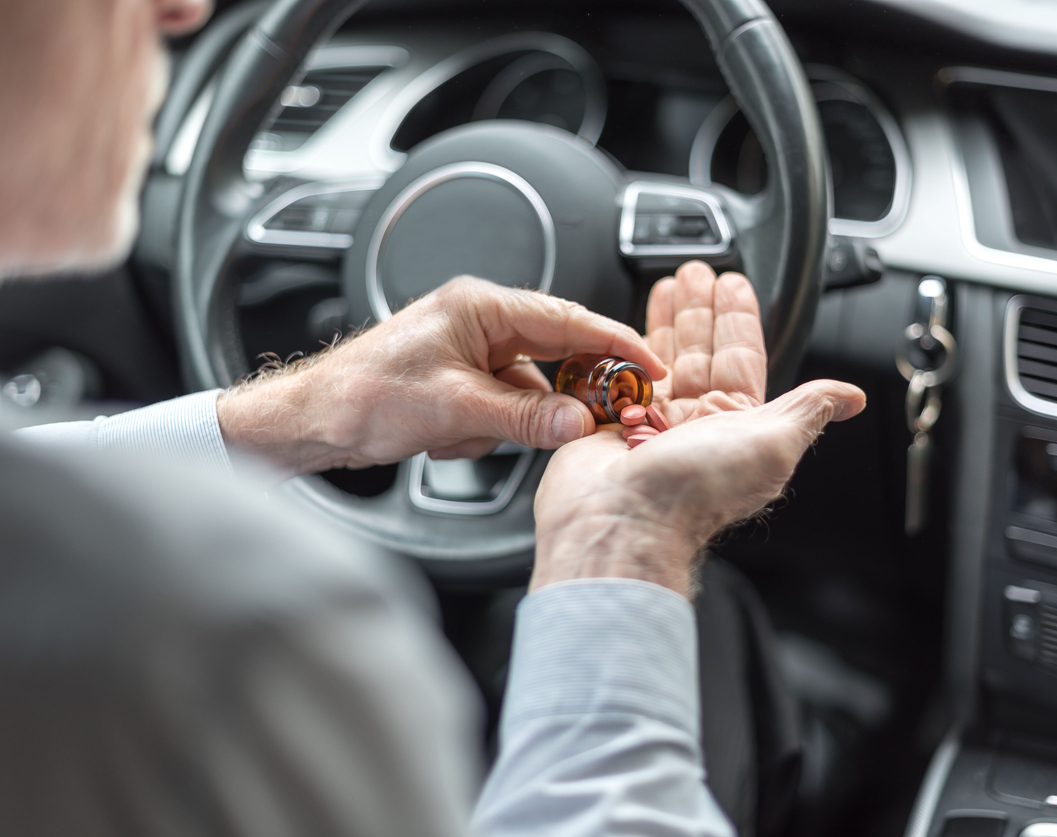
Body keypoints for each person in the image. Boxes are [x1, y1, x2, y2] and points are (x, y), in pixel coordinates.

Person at [0, 0, 867, 834]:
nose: (183, 7)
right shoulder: (242, 623)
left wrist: (307, 410)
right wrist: (621, 544)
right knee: (716, 621)